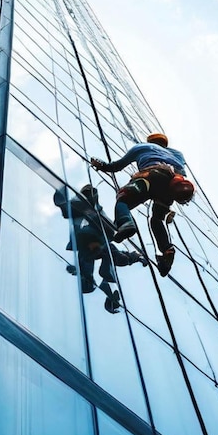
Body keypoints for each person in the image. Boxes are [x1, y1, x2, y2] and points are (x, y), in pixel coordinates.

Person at [90, 133, 195, 277]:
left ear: (150, 141)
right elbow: (182, 172)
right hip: (169, 187)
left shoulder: (142, 147)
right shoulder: (177, 154)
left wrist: (101, 165)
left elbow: (117, 166)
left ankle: (126, 223)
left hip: (150, 176)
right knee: (157, 220)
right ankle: (166, 250)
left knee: (123, 200)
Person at [54, 184, 145, 314]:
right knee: (90, 275)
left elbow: (118, 255)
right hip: (89, 242)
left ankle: (104, 287)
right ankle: (97, 283)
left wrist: (135, 257)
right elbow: (64, 207)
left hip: (96, 242)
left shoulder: (96, 212)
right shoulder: (80, 208)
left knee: (111, 259)